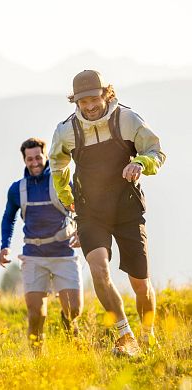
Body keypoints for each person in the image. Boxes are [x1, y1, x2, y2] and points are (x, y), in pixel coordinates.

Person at [49, 70, 166, 357]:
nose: (89, 106)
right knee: (99, 268)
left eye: (93, 98)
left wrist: (140, 163)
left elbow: (156, 152)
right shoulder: (67, 130)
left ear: (106, 94)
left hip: (127, 208)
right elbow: (58, 166)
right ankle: (126, 336)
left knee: (141, 284)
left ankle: (148, 336)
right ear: (74, 101)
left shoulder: (126, 119)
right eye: (82, 101)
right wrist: (68, 199)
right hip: (90, 212)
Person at [0, 138, 83, 353]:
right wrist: (4, 246)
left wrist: (82, 232)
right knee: (36, 315)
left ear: (46, 157)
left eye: (38, 157)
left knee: (74, 310)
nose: (34, 162)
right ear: (24, 160)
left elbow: (82, 209)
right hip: (34, 255)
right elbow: (8, 218)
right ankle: (38, 359)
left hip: (64, 253)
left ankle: (68, 328)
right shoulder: (18, 189)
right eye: (30, 159)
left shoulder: (61, 183)